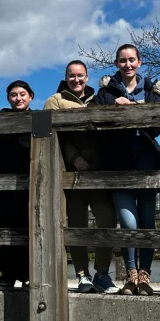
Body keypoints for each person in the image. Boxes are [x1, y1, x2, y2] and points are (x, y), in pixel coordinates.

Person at [95, 44, 160, 296]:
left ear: (139, 62)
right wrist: (115, 111)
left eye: (132, 60)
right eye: (122, 60)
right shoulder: (105, 91)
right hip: (119, 162)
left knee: (147, 221)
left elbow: (158, 127)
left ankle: (145, 276)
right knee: (128, 221)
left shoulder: (152, 90)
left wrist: (138, 110)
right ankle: (130, 274)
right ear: (116, 63)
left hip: (147, 162)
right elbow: (98, 124)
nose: (127, 64)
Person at [44, 61, 118, 294]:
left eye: (80, 76)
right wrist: (73, 157)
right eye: (72, 76)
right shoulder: (55, 101)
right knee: (76, 224)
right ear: (65, 77)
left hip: (100, 173)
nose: (76, 80)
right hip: (71, 173)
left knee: (107, 221)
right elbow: (48, 134)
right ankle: (82, 275)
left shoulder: (99, 99)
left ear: (87, 77)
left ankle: (102, 274)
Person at [0, 80, 34, 290]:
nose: (18, 98)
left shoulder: (37, 117)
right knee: (5, 229)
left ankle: (30, 274)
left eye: (22, 94)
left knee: (29, 228)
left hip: (30, 184)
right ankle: (7, 275)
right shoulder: (1, 118)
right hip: (3, 184)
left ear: (30, 96)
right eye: (13, 95)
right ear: (8, 98)